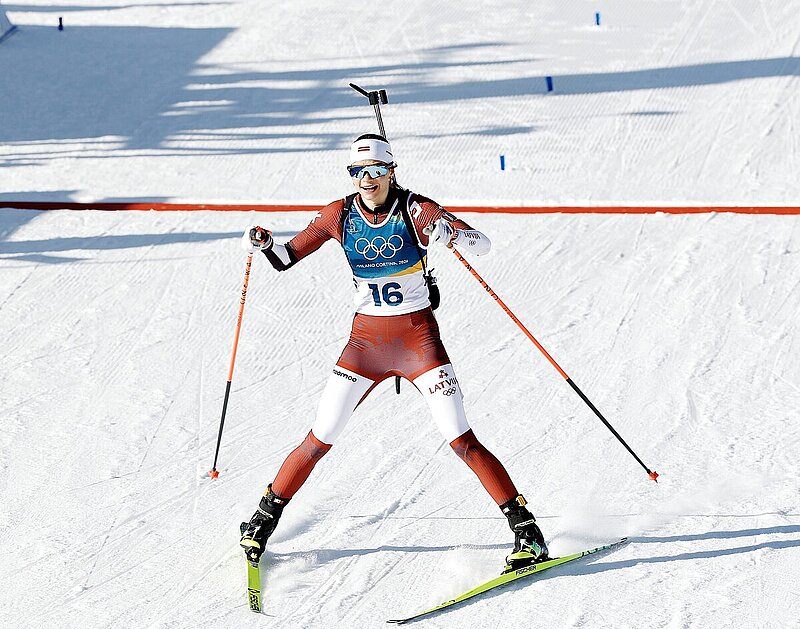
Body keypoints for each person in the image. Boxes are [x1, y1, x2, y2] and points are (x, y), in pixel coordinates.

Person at [239, 133, 547, 572]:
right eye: (359, 172)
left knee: (460, 437)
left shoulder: (417, 210)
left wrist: (448, 234)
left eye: (378, 170)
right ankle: (262, 520)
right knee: (320, 436)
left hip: (419, 342)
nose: (369, 179)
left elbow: (483, 243)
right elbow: (286, 258)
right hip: (365, 345)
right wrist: (266, 244)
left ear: (391, 171)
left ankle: (527, 531)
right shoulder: (338, 214)